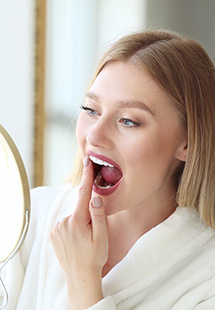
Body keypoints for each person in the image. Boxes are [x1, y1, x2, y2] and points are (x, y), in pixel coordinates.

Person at [1, 29, 215, 310]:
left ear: (188, 142)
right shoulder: (28, 219)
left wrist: (83, 281)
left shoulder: (206, 277)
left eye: (128, 120)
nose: (94, 136)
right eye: (91, 110)